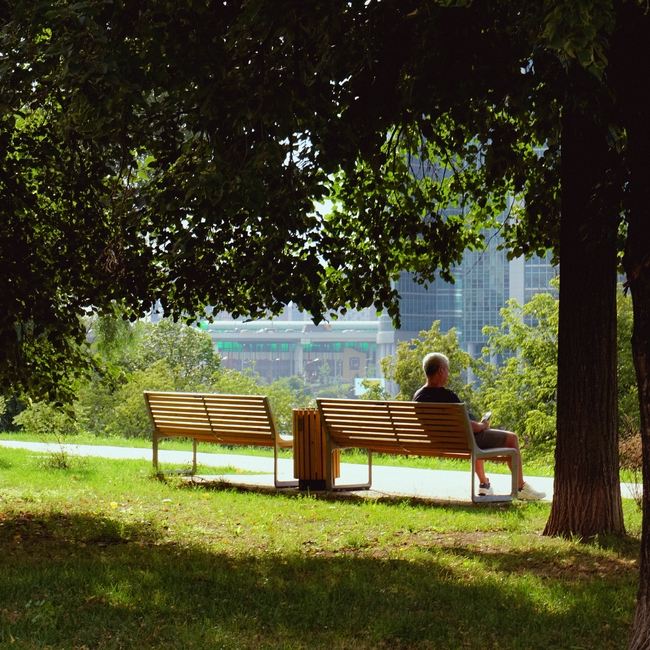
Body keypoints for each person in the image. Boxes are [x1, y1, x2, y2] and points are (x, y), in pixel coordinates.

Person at [413, 352, 546, 501]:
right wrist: (482, 425)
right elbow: (470, 427)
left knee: (475, 439)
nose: (448, 375)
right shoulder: (448, 397)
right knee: (512, 438)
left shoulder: (418, 396)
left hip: (439, 441)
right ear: (440, 370)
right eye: (447, 370)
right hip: (465, 440)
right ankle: (520, 487)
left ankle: (484, 483)